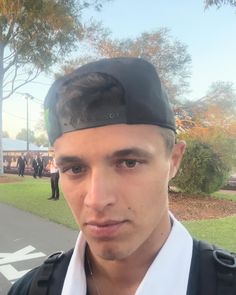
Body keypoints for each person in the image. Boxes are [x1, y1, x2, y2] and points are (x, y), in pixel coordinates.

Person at [8, 58, 236, 295]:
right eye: (75, 169)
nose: (96, 200)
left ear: (174, 161)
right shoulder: (27, 290)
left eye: (129, 163)